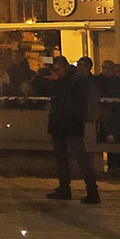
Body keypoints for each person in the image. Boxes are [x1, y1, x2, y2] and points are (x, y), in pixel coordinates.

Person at [45, 55, 100, 204]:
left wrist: (58, 83)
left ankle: (92, 190)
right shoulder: (63, 80)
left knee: (80, 157)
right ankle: (64, 187)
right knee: (61, 157)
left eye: (58, 69)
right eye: (54, 69)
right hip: (58, 122)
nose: (56, 72)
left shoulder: (77, 79)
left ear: (65, 66)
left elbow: (72, 100)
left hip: (72, 123)